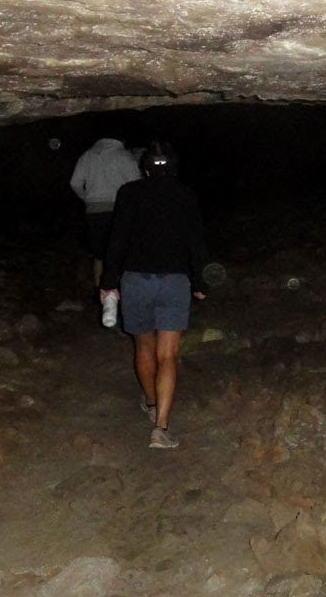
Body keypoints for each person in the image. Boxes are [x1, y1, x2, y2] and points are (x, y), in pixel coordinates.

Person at [100, 141, 208, 449]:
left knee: (144, 346)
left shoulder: (129, 194)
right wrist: (201, 281)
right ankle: (161, 428)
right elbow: (195, 242)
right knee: (167, 355)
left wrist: (109, 282)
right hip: (174, 281)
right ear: (174, 168)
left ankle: (150, 402)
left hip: (136, 281)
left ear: (144, 168)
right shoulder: (185, 195)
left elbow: (117, 240)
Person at [69, 136, 141, 289]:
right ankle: (123, 294)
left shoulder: (87, 155)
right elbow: (136, 186)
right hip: (120, 212)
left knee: (99, 256)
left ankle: (101, 294)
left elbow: (74, 183)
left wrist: (87, 198)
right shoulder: (125, 156)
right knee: (121, 253)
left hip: (94, 212)